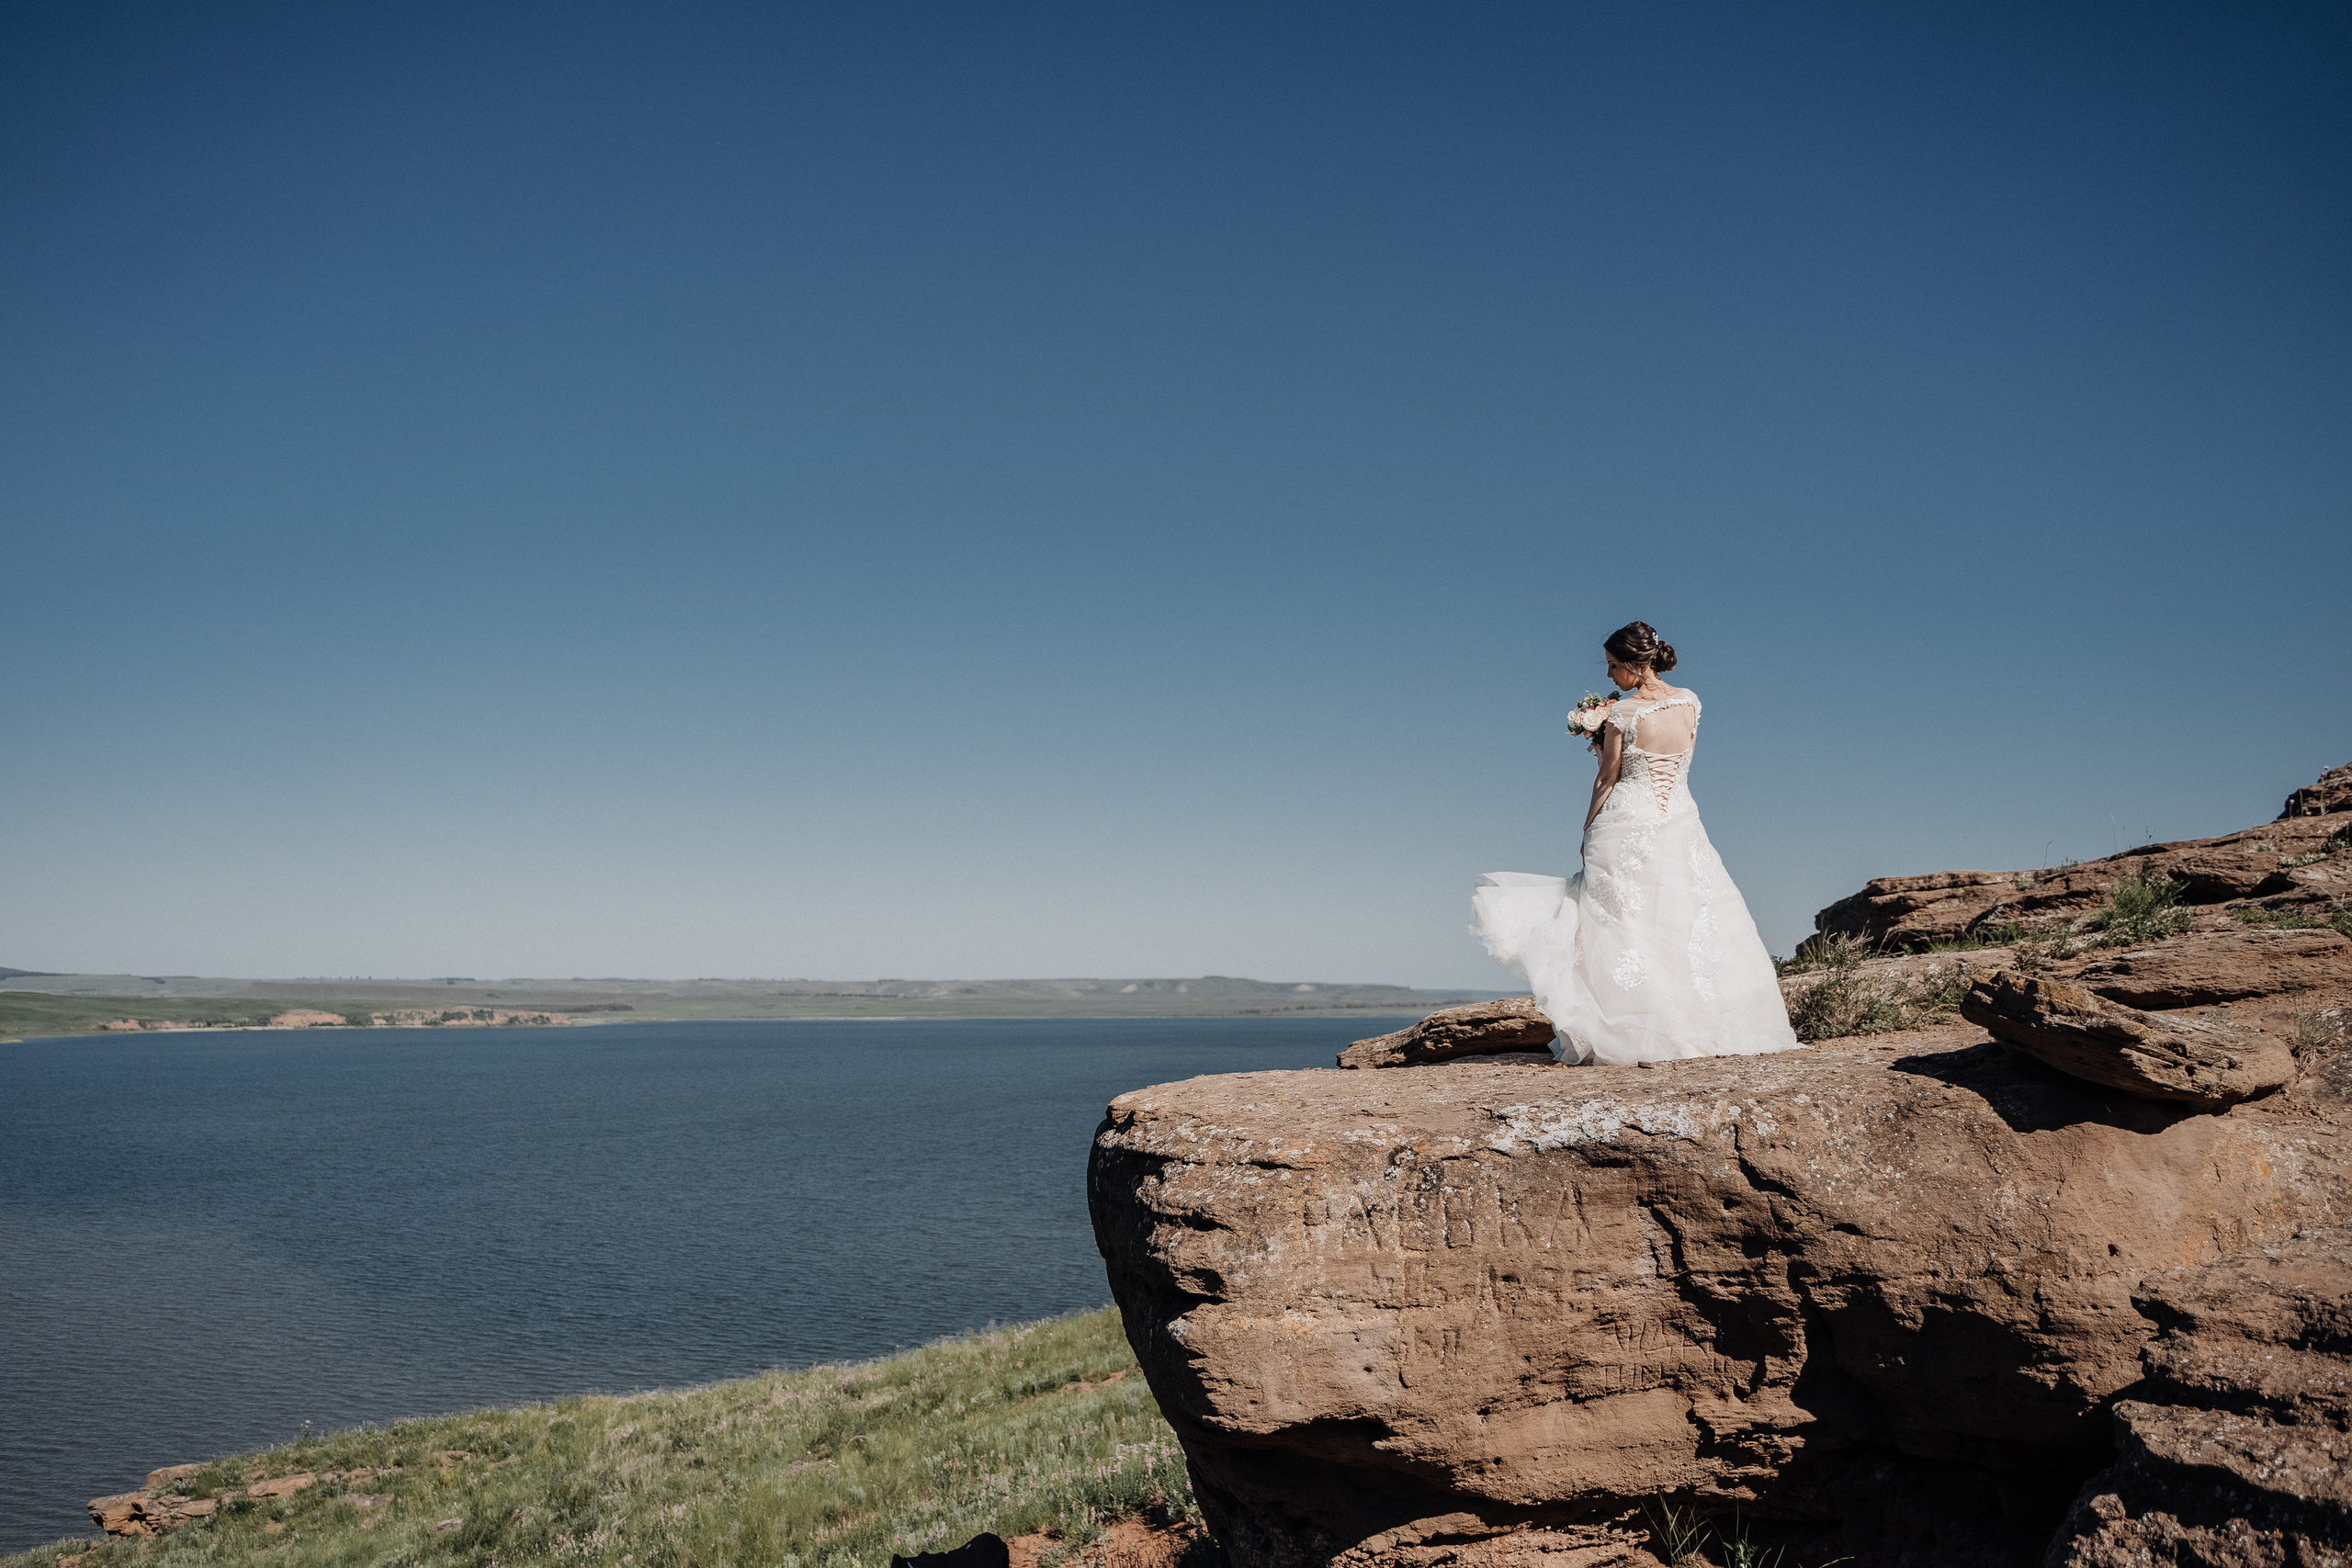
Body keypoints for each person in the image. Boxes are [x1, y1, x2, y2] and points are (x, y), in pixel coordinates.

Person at [1470, 621, 1802, 1064]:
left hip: (1627, 820)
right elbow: (1680, 758)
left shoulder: (1622, 714)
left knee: (1622, 922)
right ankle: (1705, 1026)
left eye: (1612, 667)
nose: (1609, 677)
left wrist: (1587, 828)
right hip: (1680, 818)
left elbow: (1608, 776)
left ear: (1631, 664)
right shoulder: (1691, 702)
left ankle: (1638, 1031)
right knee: (1688, 917)